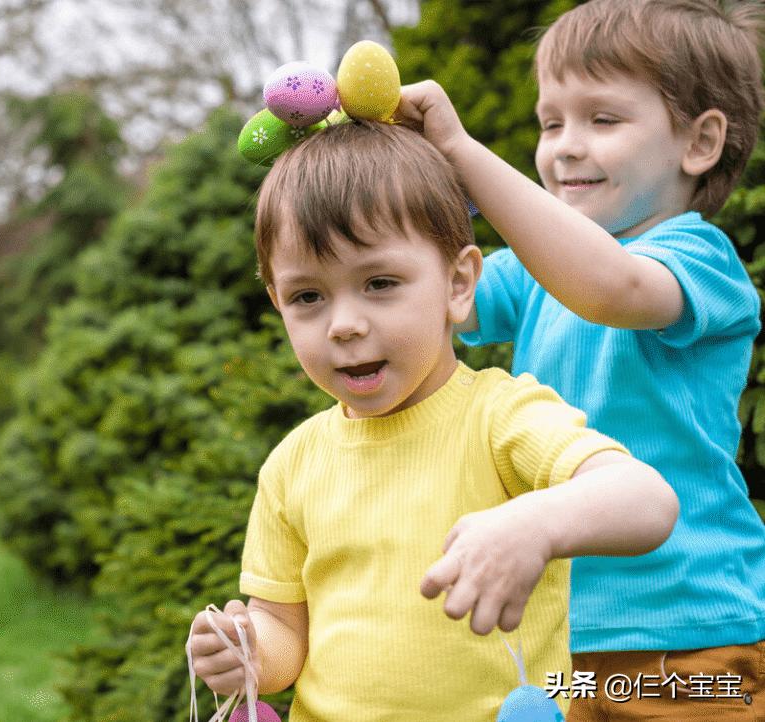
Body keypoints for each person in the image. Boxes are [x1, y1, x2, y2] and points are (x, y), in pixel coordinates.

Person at [186, 120, 679, 721]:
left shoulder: (501, 418)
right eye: (308, 297)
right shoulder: (294, 462)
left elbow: (648, 502)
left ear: (458, 283)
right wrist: (250, 651)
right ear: (277, 303)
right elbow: (287, 636)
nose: (343, 324)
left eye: (379, 283)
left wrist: (537, 525)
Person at [395, 1, 765, 719]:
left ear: (700, 142)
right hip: (560, 638)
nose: (564, 147)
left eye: (602, 119)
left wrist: (462, 153)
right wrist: (384, 175)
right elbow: (433, 297)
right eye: (550, 122)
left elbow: (609, 287)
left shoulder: (697, 261)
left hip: (689, 637)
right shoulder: (537, 270)